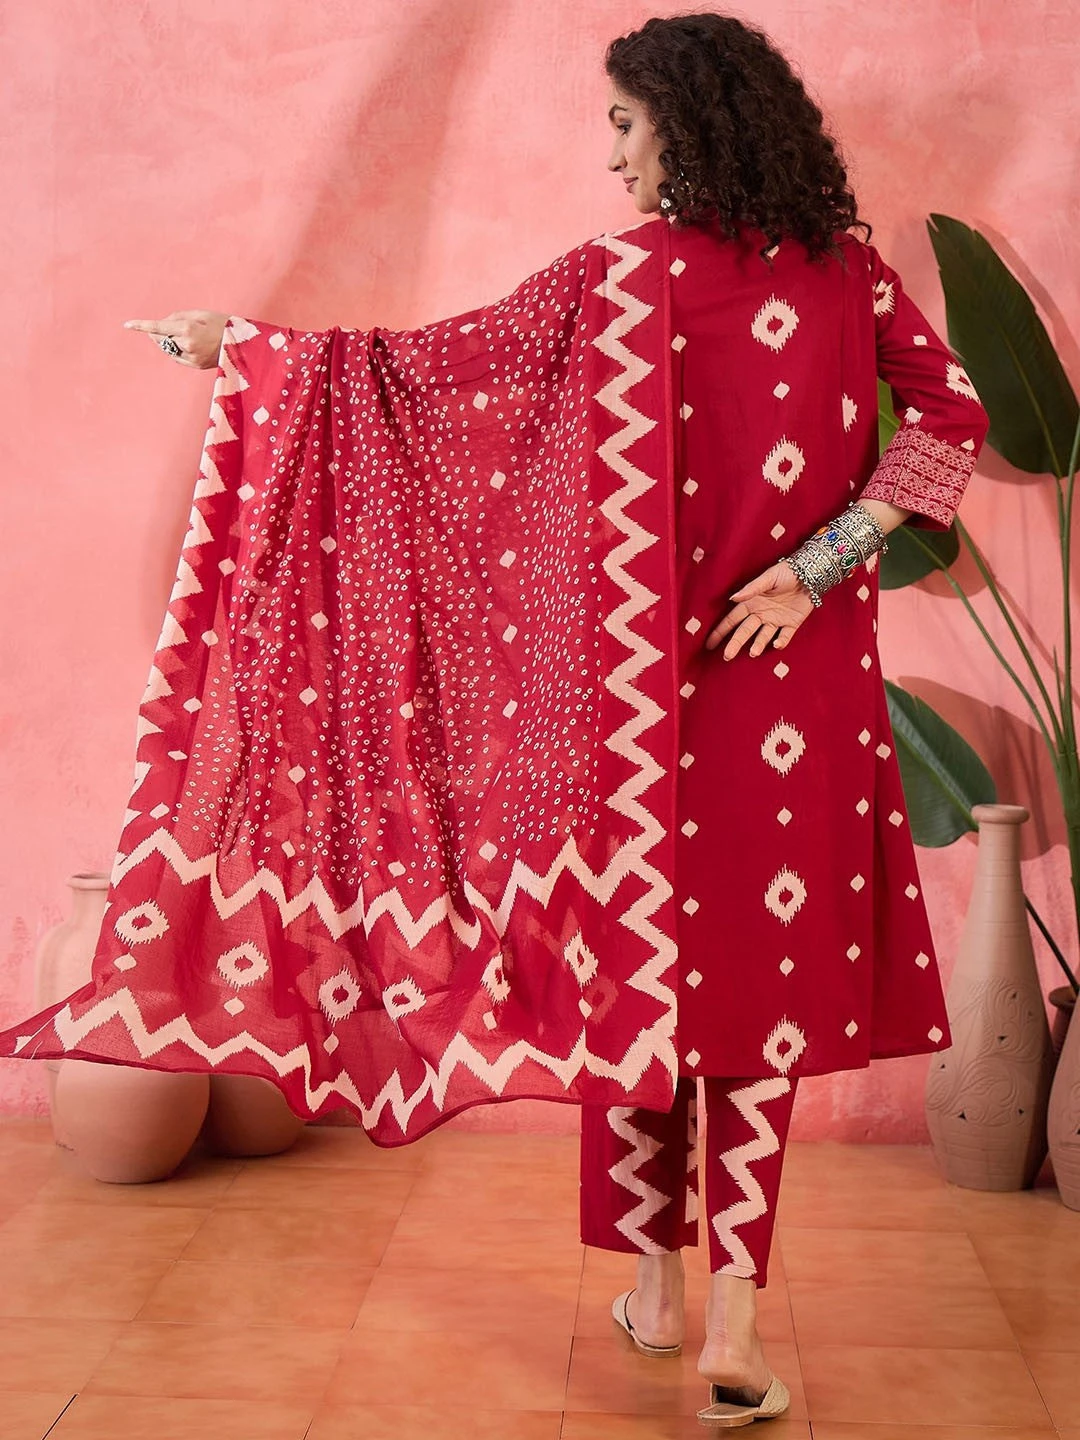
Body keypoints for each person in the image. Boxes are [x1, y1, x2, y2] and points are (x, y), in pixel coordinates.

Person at [3, 13, 988, 1429]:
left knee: (639, 982)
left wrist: (249, 350)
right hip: (800, 687)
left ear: (690, 125)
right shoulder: (852, 274)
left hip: (633, 717)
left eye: (625, 126)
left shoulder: (623, 279)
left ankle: (659, 1291)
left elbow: (428, 376)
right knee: (754, 1005)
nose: (613, 156)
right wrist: (817, 569)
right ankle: (727, 1324)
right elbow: (952, 420)